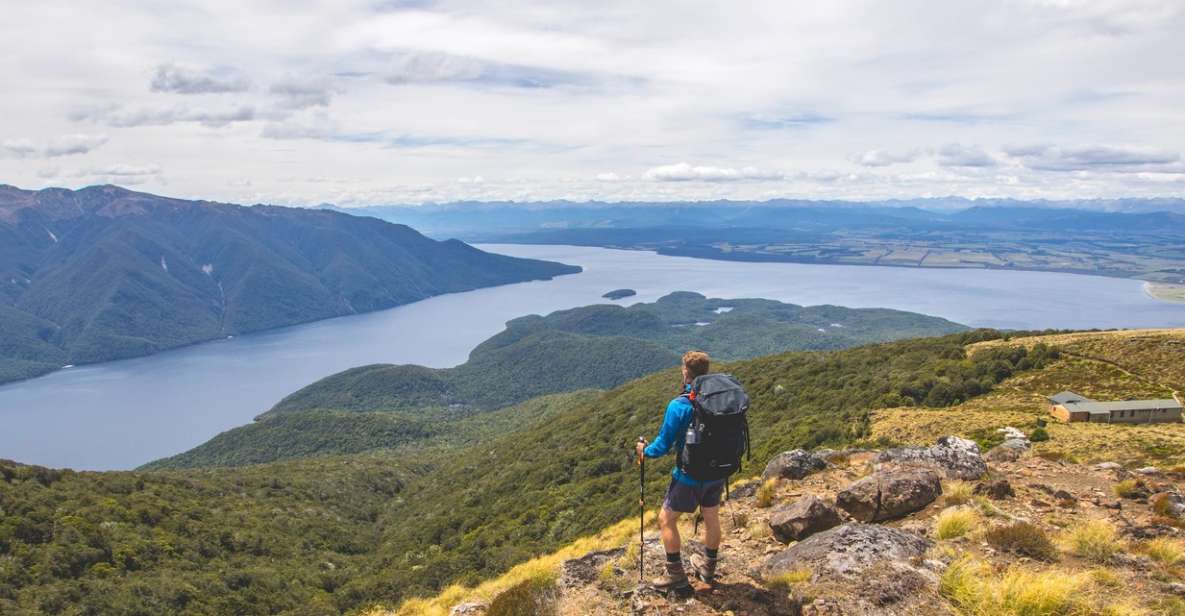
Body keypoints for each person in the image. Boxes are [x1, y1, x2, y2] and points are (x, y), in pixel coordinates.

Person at [635, 350, 722, 591]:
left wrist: (644, 451)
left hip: (689, 475)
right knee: (711, 517)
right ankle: (708, 568)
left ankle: (675, 576)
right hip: (718, 473)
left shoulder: (679, 405)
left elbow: (662, 446)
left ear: (686, 372)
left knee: (666, 519)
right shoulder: (718, 400)